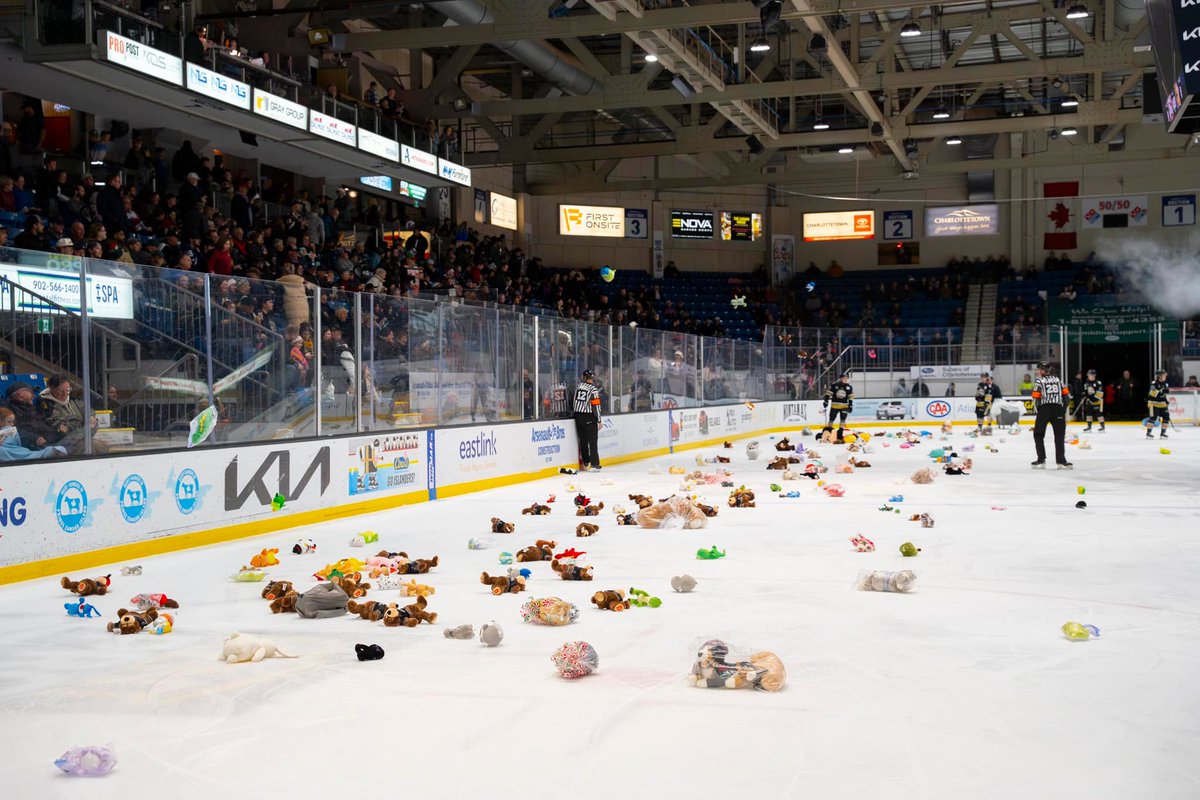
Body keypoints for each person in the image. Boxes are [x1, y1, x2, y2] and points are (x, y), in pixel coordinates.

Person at [1031, 361, 1071, 469]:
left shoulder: (1039, 381)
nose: (1038, 371)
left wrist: (1039, 412)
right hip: (1058, 409)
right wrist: (1062, 411)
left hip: (1044, 409)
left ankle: (1041, 460)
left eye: (1039, 369)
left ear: (1043, 370)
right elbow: (1067, 398)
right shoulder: (1059, 380)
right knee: (1059, 436)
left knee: (1038, 435)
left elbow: (1036, 399)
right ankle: (1061, 462)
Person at [0, 405, 66, 461]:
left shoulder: (13, 430)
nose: (12, 424)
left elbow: (19, 443)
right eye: (9, 422)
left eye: (13, 422)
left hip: (18, 450)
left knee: (25, 453)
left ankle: (46, 453)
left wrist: (35, 438)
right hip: (5, 452)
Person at [572, 369, 602, 471]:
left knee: (583, 440)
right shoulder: (593, 390)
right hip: (589, 416)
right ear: (592, 378)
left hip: (578, 416)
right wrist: (599, 419)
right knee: (592, 441)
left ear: (583, 377)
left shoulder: (578, 387)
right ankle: (594, 464)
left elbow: (574, 401)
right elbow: (596, 405)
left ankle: (585, 461)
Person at [822, 372, 854, 440]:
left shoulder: (849, 387)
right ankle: (829, 431)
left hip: (844, 406)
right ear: (841, 378)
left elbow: (850, 397)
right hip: (835, 406)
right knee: (831, 419)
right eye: (844, 378)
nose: (845, 379)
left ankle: (840, 433)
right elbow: (828, 393)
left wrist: (851, 405)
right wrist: (826, 401)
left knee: (843, 419)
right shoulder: (835, 385)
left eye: (846, 378)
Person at [1146, 369, 1170, 439]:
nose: (1165, 376)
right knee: (1153, 418)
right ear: (1159, 376)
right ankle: (1148, 433)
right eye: (1164, 374)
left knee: (1166, 418)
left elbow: (1165, 394)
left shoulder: (1165, 384)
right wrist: (1161, 391)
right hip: (1153, 404)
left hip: (1162, 404)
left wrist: (1166, 400)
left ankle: (1163, 433)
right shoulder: (1154, 383)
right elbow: (1152, 394)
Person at [1081, 369, 1106, 433]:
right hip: (1089, 401)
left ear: (1094, 375)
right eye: (1088, 375)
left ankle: (1102, 427)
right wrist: (1087, 398)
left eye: (1090, 375)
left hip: (1097, 401)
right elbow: (1085, 391)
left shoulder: (1098, 383)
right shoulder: (1086, 382)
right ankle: (1089, 427)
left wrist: (1093, 400)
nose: (1088, 376)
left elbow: (1100, 393)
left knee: (1098, 414)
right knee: (1088, 413)